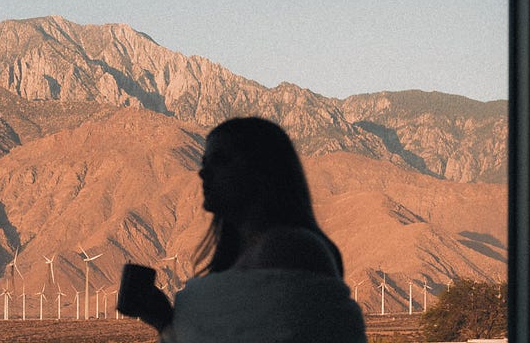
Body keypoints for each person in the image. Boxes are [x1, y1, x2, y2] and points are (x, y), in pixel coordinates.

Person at [119, 116, 366, 342]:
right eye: (204, 162)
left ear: (260, 168)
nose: (204, 173)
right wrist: (162, 320)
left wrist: (180, 321)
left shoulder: (288, 248)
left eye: (221, 160)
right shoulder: (240, 256)